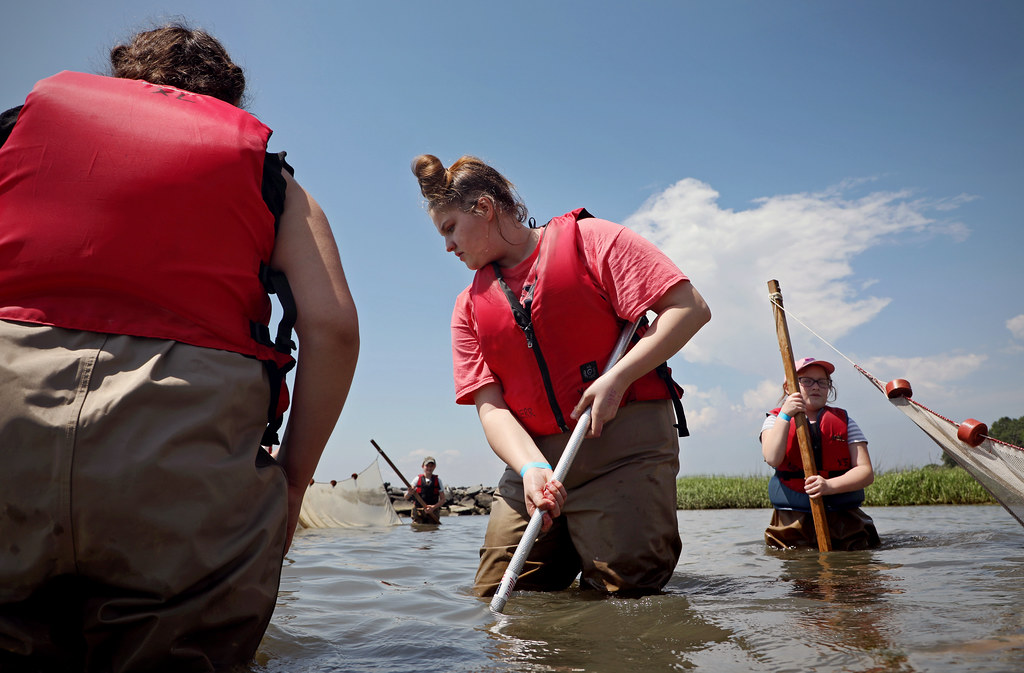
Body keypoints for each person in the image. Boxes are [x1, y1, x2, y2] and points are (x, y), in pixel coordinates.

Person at [0, 23, 359, 672]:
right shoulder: (274, 182)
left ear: (121, 77)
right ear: (227, 101)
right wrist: (294, 483)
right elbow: (333, 327)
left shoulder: (14, 130)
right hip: (180, 459)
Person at [411, 154, 711, 597]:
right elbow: (490, 406)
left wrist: (618, 378)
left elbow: (689, 309)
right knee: (500, 595)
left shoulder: (594, 240)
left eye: (450, 228)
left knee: (625, 592)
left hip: (622, 447)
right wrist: (531, 468)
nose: (448, 247)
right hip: (535, 461)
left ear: (485, 209)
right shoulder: (467, 307)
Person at [760, 357, 880, 550]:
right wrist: (785, 414)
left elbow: (865, 472)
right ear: (788, 388)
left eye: (822, 382)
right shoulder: (774, 421)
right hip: (793, 521)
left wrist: (829, 486)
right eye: (806, 381)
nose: (815, 387)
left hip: (844, 518)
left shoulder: (846, 422)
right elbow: (772, 457)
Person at [404, 456, 447, 522]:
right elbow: (406, 497)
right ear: (423, 466)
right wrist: (409, 493)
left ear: (434, 467)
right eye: (427, 466)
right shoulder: (417, 479)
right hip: (418, 513)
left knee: (433, 530)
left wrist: (433, 507)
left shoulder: (438, 481)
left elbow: (443, 499)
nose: (429, 468)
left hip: (433, 513)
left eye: (431, 466)